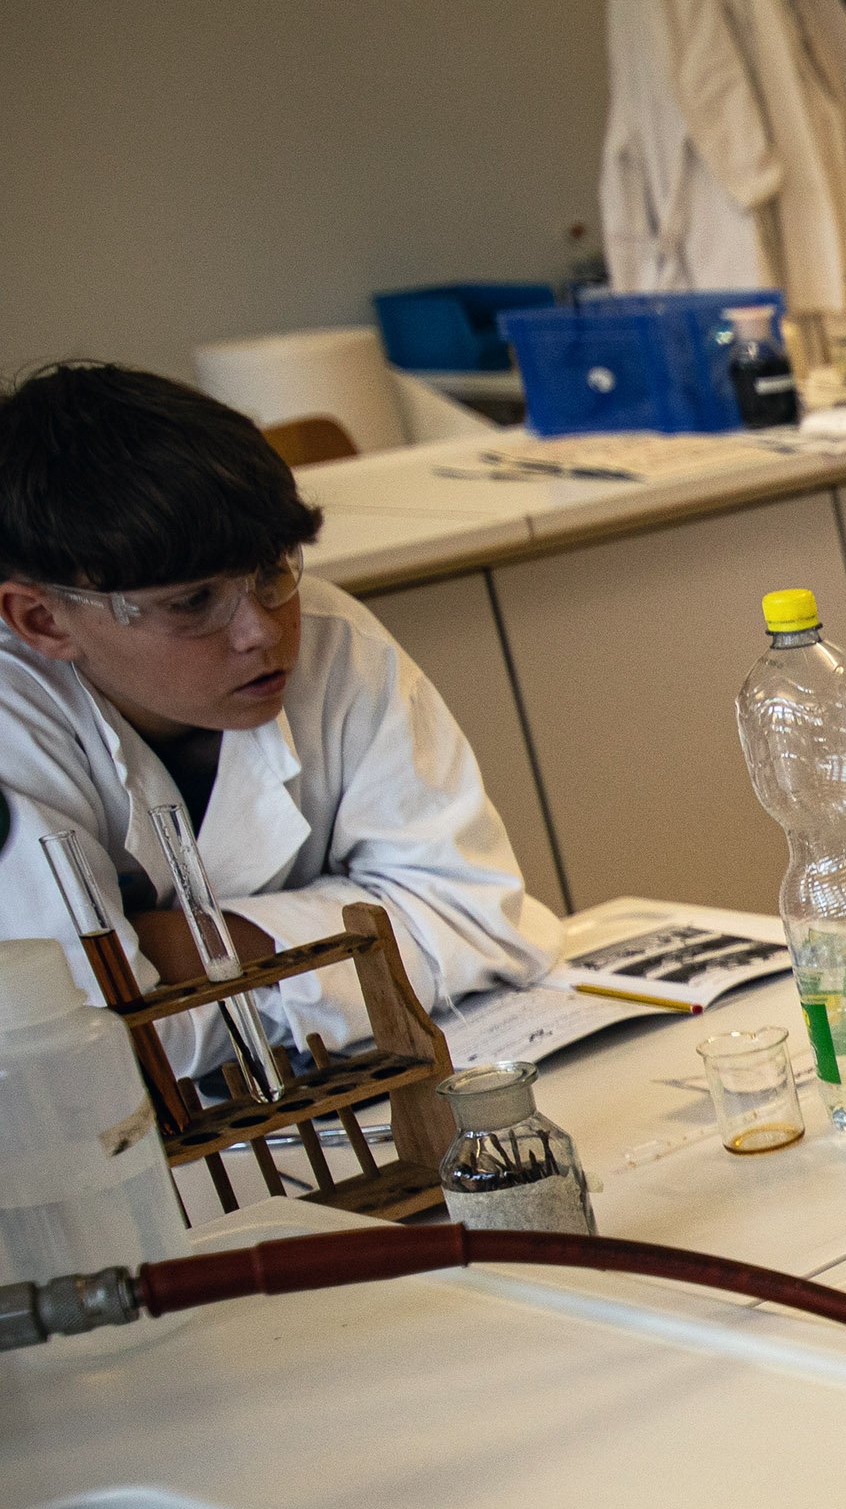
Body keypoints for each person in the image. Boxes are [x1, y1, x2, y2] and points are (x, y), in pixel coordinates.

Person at [0, 364, 561, 1072]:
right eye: (192, 602)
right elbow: (89, 1043)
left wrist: (179, 947)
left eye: (272, 572)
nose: (262, 629)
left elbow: (478, 919)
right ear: (44, 620)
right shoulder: (11, 721)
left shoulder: (333, 640)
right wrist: (350, 952)